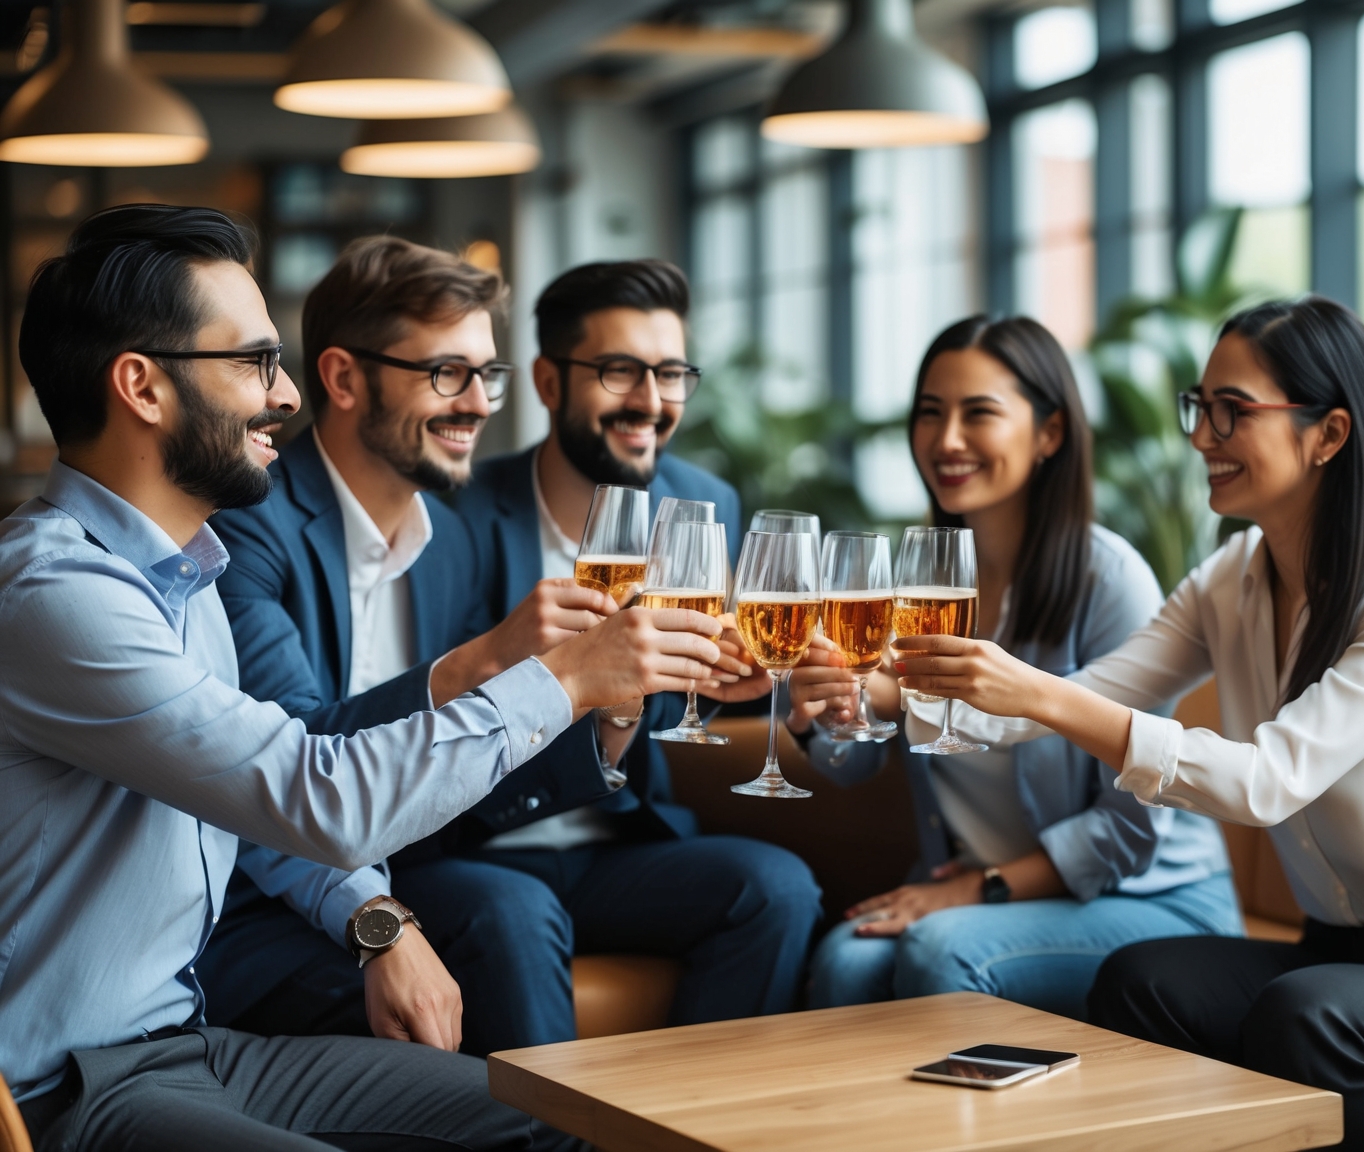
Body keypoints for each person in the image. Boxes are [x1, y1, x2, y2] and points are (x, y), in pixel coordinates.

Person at [0, 205, 727, 1151]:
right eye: (254, 361)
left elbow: (250, 798)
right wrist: (565, 679)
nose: (287, 395)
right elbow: (317, 794)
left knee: (570, 1122)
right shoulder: (57, 594)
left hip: (189, 1046)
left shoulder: (186, 575)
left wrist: (377, 921)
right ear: (141, 386)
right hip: (66, 1087)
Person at [892, 298, 1364, 1152]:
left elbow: (1268, 781)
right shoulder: (1231, 580)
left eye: (1232, 411)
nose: (1202, 437)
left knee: (1308, 1014)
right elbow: (1070, 699)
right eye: (1201, 408)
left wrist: (1041, 695)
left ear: (1329, 433)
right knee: (1142, 979)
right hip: (1346, 944)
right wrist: (874, 688)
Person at [198, 237, 764, 1055]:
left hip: (425, 863)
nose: (478, 403)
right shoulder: (251, 524)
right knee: (507, 906)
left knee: (760, 886)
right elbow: (291, 767)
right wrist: (490, 658)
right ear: (344, 378)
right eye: (446, 373)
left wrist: (609, 709)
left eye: (485, 374)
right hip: (272, 899)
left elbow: (463, 769)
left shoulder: (448, 540)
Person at [786, 315, 1241, 1019]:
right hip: (980, 891)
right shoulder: (922, 585)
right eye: (930, 414)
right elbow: (855, 764)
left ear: (1050, 433)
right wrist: (828, 713)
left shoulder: (1107, 579)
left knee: (941, 952)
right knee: (845, 957)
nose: (947, 441)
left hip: (1150, 900)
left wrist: (977, 888)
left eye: (979, 414)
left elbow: (1130, 828)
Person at [441, 258, 820, 1044]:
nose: (652, 401)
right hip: (477, 843)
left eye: (672, 372)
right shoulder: (457, 512)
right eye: (621, 371)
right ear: (548, 382)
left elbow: (698, 686)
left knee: (777, 888)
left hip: (621, 843)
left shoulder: (704, 502)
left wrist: (749, 684)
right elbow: (431, 707)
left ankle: (687, 1125)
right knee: (515, 911)